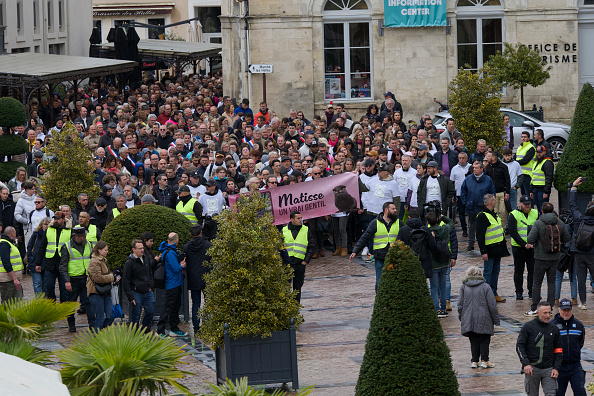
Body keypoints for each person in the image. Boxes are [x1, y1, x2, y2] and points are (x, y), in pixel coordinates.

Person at [525, 202, 571, 316]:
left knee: (537, 283)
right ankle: (549, 307)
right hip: (554, 257)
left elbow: (530, 239)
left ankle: (535, 307)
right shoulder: (559, 222)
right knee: (551, 283)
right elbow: (567, 237)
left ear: (542, 211)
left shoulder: (539, 223)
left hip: (540, 257)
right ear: (553, 210)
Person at [350, 202, 404, 291]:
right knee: (379, 282)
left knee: (395, 281)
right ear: (386, 210)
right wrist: (355, 250)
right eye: (393, 209)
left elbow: (407, 236)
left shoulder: (399, 223)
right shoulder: (375, 223)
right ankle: (379, 302)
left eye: (395, 209)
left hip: (395, 256)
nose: (395, 210)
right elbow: (365, 237)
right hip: (380, 256)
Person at [516, 301, 563, 396]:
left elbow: (559, 349)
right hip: (532, 368)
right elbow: (520, 346)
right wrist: (526, 364)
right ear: (537, 313)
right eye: (544, 313)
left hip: (549, 369)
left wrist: (556, 368)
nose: (547, 315)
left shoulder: (554, 329)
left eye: (549, 313)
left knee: (551, 393)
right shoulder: (528, 327)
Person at [458, 266, 500, 369]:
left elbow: (460, 304)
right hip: (484, 317)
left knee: (473, 339)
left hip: (469, 317)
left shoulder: (464, 287)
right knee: (485, 339)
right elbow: (492, 305)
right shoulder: (486, 286)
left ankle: (474, 361)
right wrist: (496, 319)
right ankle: (485, 360)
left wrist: (461, 316)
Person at [549, 298, 587, 395]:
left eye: (568, 310)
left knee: (580, 391)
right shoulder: (552, 326)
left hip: (575, 365)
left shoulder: (578, 325)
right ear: (559, 310)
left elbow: (580, 342)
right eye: (564, 310)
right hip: (559, 367)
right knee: (558, 393)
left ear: (571, 310)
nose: (566, 313)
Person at [59, 226, 92, 332]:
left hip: (86, 278)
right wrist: (67, 281)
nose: (84, 237)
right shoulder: (66, 247)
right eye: (82, 236)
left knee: (89, 302)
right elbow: (63, 265)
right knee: (71, 303)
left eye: (85, 235)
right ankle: (71, 325)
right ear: (76, 236)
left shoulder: (89, 244)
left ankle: (92, 324)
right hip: (73, 280)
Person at [476, 194, 509, 302]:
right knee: (488, 273)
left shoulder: (493, 213)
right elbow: (480, 236)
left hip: (498, 248)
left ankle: (494, 293)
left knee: (496, 272)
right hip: (489, 249)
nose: (495, 202)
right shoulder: (482, 216)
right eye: (494, 201)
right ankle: (486, 295)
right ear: (491, 202)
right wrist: (483, 251)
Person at [157, 233, 188, 337]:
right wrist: (182, 265)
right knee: (169, 307)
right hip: (172, 283)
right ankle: (160, 331)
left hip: (174, 283)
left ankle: (174, 328)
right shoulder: (170, 253)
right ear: (177, 241)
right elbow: (176, 269)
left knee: (174, 307)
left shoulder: (167, 251)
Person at [570, 177, 594, 310]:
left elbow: (572, 204)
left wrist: (574, 187)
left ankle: (583, 302)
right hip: (592, 254)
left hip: (579, 252)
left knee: (581, 279)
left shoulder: (579, 218)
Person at [183, 224, 212, 336]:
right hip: (206, 277)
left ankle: (196, 327)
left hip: (193, 278)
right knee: (208, 302)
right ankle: (207, 325)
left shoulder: (186, 247)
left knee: (196, 303)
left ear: (191, 234)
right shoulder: (208, 245)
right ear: (201, 232)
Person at [460, 161, 496, 251]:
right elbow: (463, 191)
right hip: (471, 206)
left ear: (481, 169)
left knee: (484, 227)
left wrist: (489, 204)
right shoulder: (468, 179)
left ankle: (484, 244)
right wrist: (466, 202)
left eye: (476, 168)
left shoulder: (488, 179)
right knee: (472, 226)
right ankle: (471, 244)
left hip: (483, 208)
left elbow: (492, 192)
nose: (474, 170)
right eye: (473, 168)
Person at [123, 239, 156, 333]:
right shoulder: (129, 263)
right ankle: (135, 335)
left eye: (143, 248)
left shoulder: (145, 258)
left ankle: (143, 331)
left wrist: (151, 285)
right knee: (136, 316)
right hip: (136, 292)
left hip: (147, 290)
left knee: (150, 311)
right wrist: (130, 295)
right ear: (134, 249)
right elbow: (126, 280)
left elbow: (149, 272)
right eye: (140, 248)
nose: (142, 250)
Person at [509, 195, 538, 300]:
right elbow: (513, 232)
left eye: (529, 204)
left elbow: (539, 228)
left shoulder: (535, 213)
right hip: (518, 248)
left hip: (532, 248)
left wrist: (533, 243)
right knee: (518, 271)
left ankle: (531, 291)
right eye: (525, 204)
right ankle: (519, 292)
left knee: (532, 270)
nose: (527, 206)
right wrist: (524, 244)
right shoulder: (513, 215)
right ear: (520, 204)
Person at [283, 211, 315, 303]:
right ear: (292, 219)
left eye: (301, 218)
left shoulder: (306, 230)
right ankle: (287, 310)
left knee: (297, 289)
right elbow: (278, 247)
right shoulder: (284, 230)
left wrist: (306, 261)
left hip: (299, 264)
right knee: (285, 288)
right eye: (298, 218)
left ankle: (295, 311)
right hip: (287, 265)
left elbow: (312, 246)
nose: (300, 220)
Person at [38, 211, 70, 302]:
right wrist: (38, 263)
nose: (56, 221)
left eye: (58, 219)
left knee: (64, 289)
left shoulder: (69, 230)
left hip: (63, 263)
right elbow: (42, 246)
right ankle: (52, 307)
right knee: (49, 286)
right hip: (50, 263)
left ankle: (64, 310)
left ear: (63, 219)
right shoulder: (49, 229)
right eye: (55, 219)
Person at [426, 212, 454, 317]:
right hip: (444, 261)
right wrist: (442, 216)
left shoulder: (427, 231)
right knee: (443, 286)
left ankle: (436, 309)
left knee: (434, 287)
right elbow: (450, 222)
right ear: (438, 220)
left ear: (428, 222)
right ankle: (443, 309)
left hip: (433, 263)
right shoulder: (445, 229)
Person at [397, 208, 438, 278]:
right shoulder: (425, 229)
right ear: (419, 217)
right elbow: (433, 246)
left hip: (408, 262)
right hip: (423, 261)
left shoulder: (403, 230)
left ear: (408, 217)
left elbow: (398, 246)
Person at [87, 241, 117, 332]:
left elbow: (105, 274)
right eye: (105, 250)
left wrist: (113, 276)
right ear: (99, 250)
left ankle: (102, 332)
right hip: (95, 292)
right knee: (100, 317)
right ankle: (98, 338)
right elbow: (97, 278)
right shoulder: (94, 261)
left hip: (105, 291)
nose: (107, 252)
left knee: (110, 315)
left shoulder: (103, 260)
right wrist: (112, 278)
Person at [485, 151, 510, 231]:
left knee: (503, 212)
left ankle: (503, 228)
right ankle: (495, 227)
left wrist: (507, 192)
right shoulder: (488, 167)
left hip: (502, 193)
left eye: (488, 156)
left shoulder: (503, 167)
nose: (487, 158)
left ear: (493, 158)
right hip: (492, 194)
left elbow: (507, 180)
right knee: (494, 211)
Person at [26, 217, 50, 294]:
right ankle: (39, 302)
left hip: (46, 263)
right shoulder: (36, 234)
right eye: (44, 224)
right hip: (35, 262)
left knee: (46, 285)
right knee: (37, 284)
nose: (46, 226)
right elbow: (30, 246)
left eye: (48, 225)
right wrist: (30, 258)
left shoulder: (51, 235)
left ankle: (45, 303)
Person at [450, 152, 471, 237]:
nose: (461, 160)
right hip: (459, 194)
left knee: (470, 213)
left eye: (463, 158)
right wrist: (452, 195)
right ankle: (464, 229)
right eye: (460, 158)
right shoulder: (454, 169)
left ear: (466, 159)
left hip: (470, 194)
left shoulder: (470, 167)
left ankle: (471, 228)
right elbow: (452, 182)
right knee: (461, 213)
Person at [0, 226, 23, 303]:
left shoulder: (9, 243)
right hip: (7, 280)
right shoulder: (4, 244)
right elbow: (6, 263)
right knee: (7, 304)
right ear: (13, 234)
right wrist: (15, 279)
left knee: (18, 302)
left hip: (13, 279)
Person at [531, 145, 554, 213]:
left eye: (540, 152)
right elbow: (533, 177)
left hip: (542, 190)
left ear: (544, 152)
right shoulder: (536, 162)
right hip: (535, 189)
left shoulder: (547, 162)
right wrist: (531, 190)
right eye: (537, 152)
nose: (538, 154)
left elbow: (549, 178)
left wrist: (546, 191)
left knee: (543, 209)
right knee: (539, 209)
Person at [516, 131, 536, 196]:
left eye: (525, 137)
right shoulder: (520, 147)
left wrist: (515, 163)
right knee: (523, 194)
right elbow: (515, 157)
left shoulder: (531, 148)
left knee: (528, 194)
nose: (523, 138)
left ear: (529, 138)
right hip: (520, 174)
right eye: (522, 137)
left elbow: (525, 160)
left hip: (528, 174)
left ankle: (531, 206)